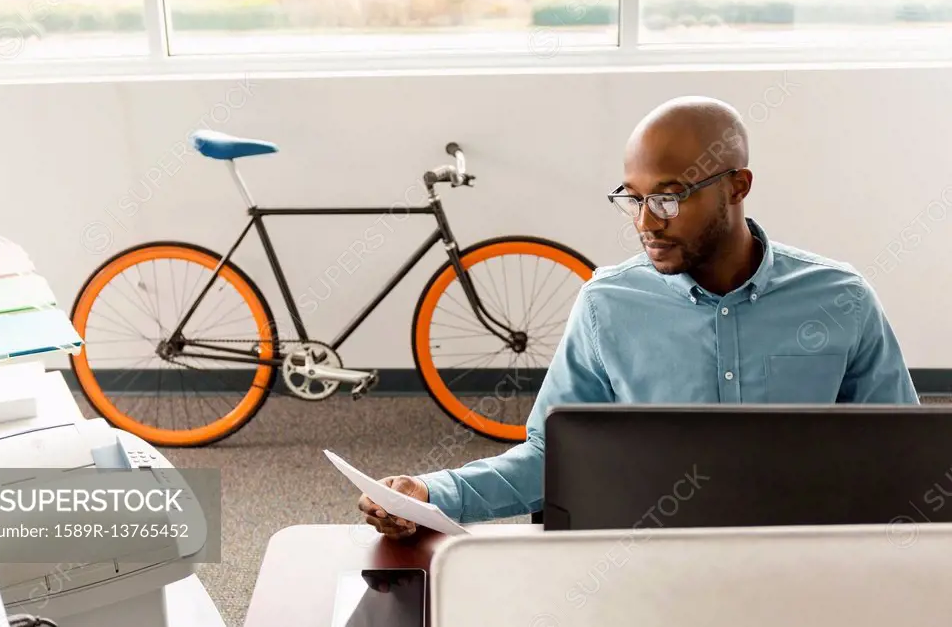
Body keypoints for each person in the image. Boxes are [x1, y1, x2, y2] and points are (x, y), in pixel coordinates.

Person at [357, 95, 920, 539]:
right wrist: (431, 494)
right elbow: (551, 458)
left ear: (737, 186)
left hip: (809, 571)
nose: (648, 221)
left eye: (670, 197)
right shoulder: (608, 305)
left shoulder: (841, 298)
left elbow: (907, 460)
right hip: (652, 573)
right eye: (634, 197)